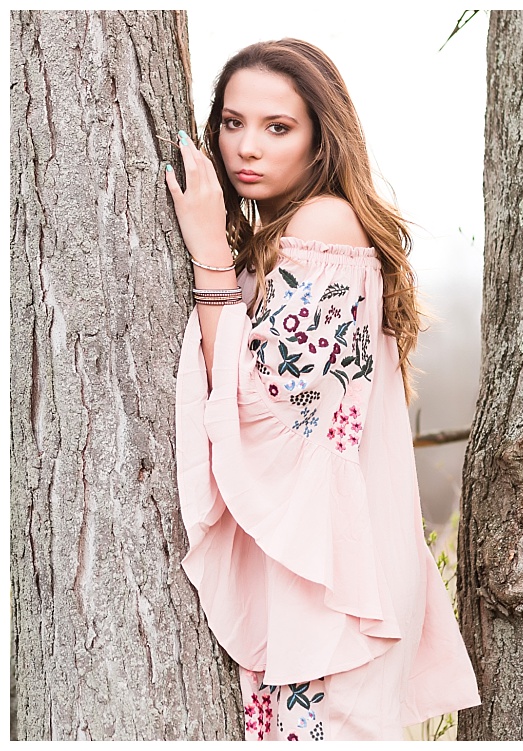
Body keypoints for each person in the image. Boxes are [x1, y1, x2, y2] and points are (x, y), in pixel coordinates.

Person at [166, 38, 480, 740]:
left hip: (333, 575)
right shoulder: (279, 237)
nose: (247, 147)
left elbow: (270, 405)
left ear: (319, 142)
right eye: (232, 122)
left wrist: (209, 255)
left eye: (278, 128)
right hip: (313, 561)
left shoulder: (324, 224)